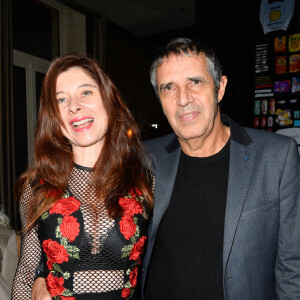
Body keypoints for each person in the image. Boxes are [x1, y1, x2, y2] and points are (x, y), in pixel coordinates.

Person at [141, 38, 300, 299]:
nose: (183, 99)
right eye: (169, 87)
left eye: (195, 82)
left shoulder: (276, 156)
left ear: (220, 88)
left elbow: (293, 267)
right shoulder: (143, 158)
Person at [12, 53, 153, 300]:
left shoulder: (144, 182)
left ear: (108, 100)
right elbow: (25, 272)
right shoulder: (36, 188)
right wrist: (37, 280)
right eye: (61, 99)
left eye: (85, 92)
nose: (73, 106)